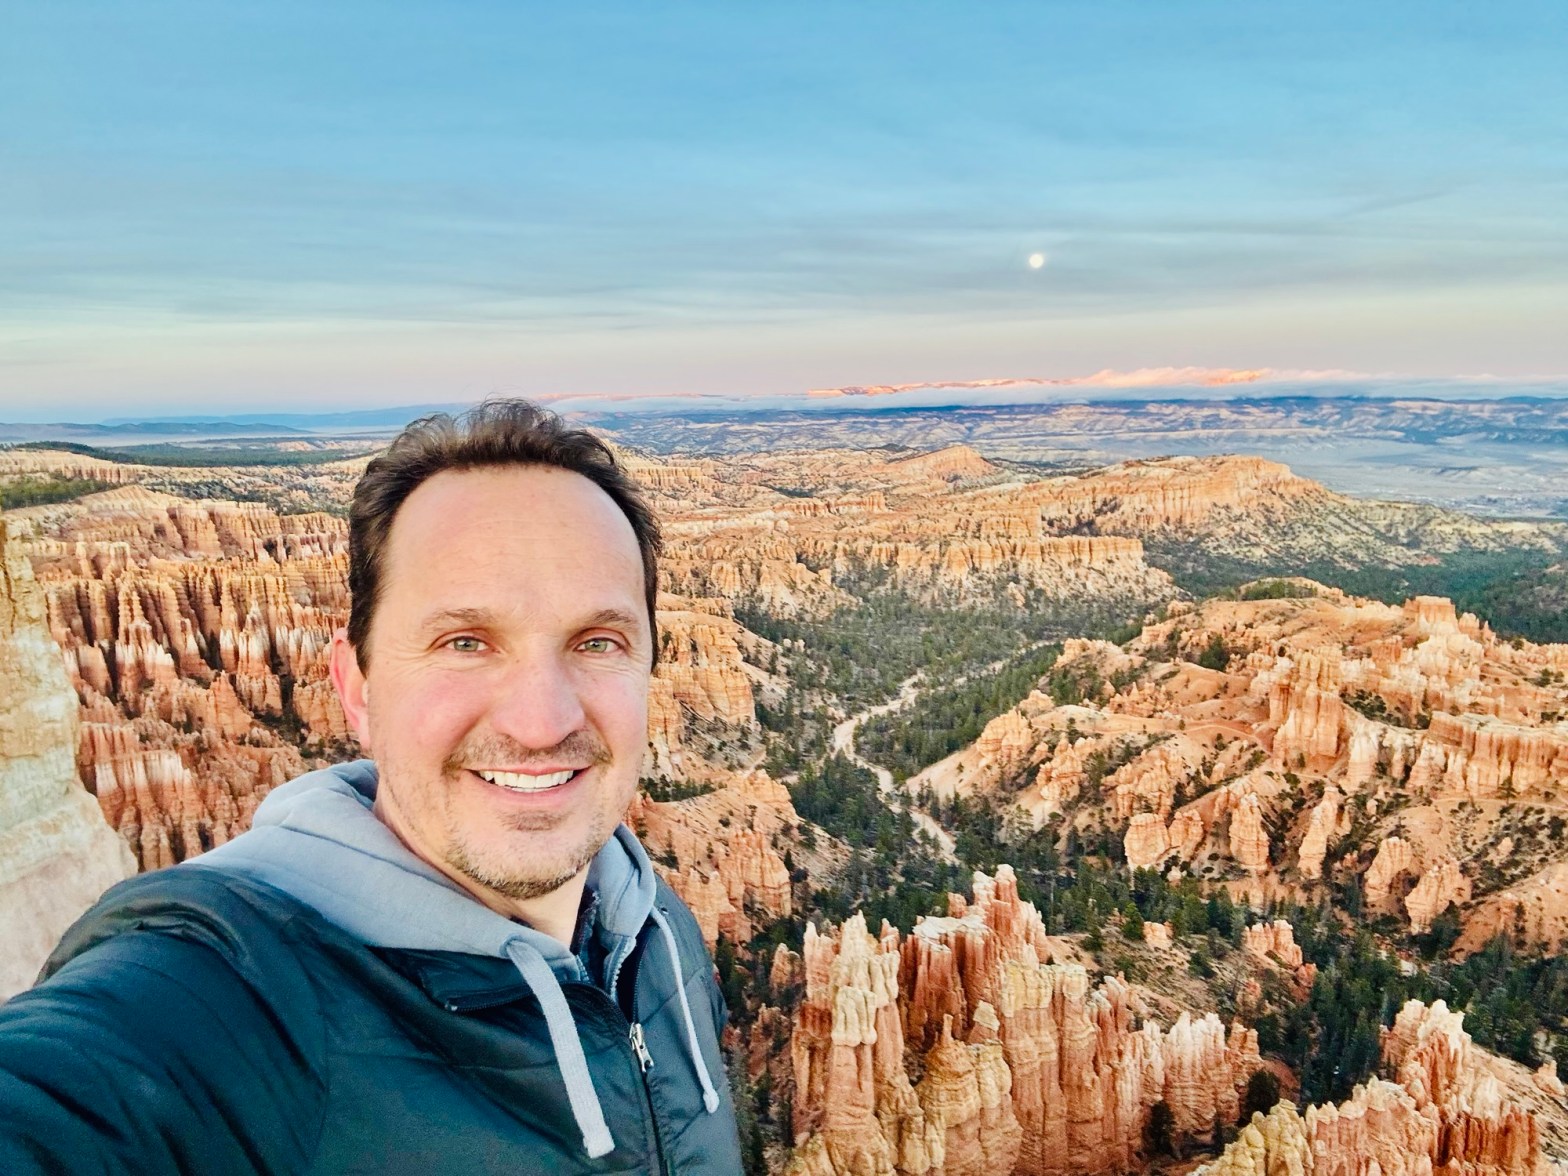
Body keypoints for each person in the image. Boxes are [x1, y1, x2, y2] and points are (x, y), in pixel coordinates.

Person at [0, 400, 744, 1174]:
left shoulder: (655, 932)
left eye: (597, 641)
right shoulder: (225, 1001)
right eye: (465, 642)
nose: (540, 721)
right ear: (356, 690)